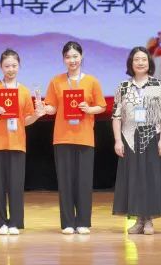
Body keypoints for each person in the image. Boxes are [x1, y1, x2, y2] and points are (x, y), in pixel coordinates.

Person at [0, 48, 46, 235]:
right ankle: (1, 223)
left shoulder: (24, 91)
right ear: (1, 67)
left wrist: (37, 115)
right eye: (7, 66)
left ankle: (15, 222)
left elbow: (26, 120)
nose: (11, 69)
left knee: (16, 185)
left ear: (19, 66)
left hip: (17, 143)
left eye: (14, 66)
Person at [42, 41, 107, 235]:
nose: (72, 60)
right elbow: (52, 107)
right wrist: (44, 108)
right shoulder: (56, 81)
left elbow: (101, 106)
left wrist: (89, 109)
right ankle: (68, 223)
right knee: (65, 181)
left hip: (85, 136)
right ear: (63, 59)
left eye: (75, 56)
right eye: (68, 57)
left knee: (84, 181)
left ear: (81, 56)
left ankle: (83, 222)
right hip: (62, 137)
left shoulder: (92, 81)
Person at [112, 46, 161, 235]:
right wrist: (117, 140)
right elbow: (116, 116)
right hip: (129, 138)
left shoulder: (158, 85)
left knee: (151, 179)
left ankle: (149, 221)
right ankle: (138, 220)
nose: (140, 63)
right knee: (134, 179)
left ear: (149, 62)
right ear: (131, 63)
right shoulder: (123, 87)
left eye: (143, 59)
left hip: (152, 136)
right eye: (136, 59)